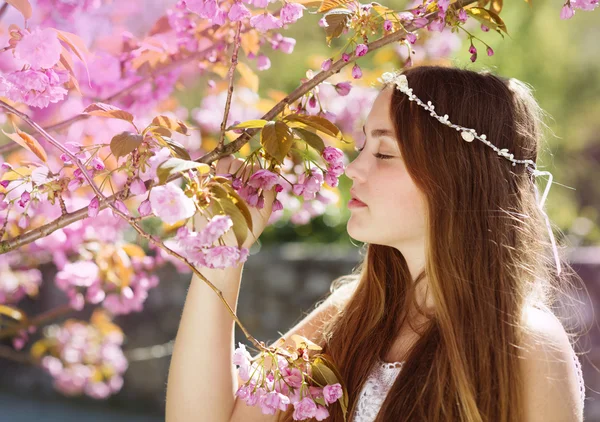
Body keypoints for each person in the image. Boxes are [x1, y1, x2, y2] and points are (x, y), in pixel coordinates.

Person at [165, 65, 586, 422]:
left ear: (457, 178)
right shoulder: (348, 317)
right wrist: (222, 254)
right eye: (363, 145)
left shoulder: (525, 344)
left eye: (384, 154)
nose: (354, 169)